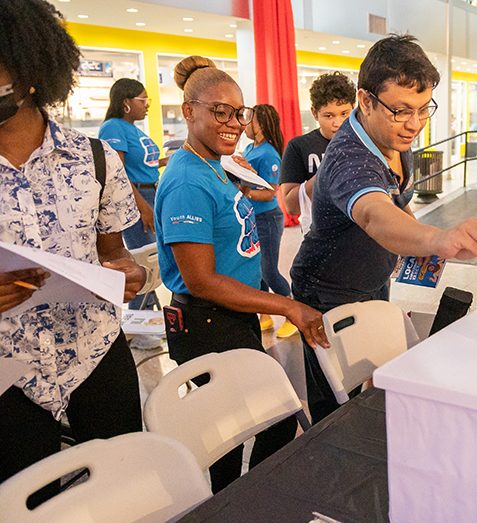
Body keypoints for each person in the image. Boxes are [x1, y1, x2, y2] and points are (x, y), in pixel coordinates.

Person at [290, 34, 477, 424]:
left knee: (375, 375)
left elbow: (398, 206)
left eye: (424, 110)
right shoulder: (347, 158)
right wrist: (439, 238)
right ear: (365, 100)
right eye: (402, 110)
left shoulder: (394, 135)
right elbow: (375, 214)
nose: (414, 125)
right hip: (327, 288)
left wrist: (426, 245)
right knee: (334, 406)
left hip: (373, 277)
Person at [154, 55, 329, 493]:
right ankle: (230, 503)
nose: (233, 122)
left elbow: (245, 206)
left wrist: (234, 176)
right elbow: (202, 280)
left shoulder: (214, 163)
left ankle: (245, 496)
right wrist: (287, 304)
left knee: (269, 421)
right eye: (219, 111)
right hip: (206, 322)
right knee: (229, 439)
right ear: (188, 111)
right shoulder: (187, 180)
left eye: (238, 112)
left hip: (233, 315)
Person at [0, 0, 147, 505]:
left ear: (31, 71)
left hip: (95, 355)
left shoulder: (95, 159)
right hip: (8, 377)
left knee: (124, 493)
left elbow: (116, 255)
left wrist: (127, 273)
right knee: (30, 506)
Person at [99, 78, 168, 313]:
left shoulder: (132, 128)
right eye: (143, 99)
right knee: (143, 263)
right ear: (126, 102)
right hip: (136, 197)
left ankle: (149, 317)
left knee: (151, 263)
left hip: (150, 193)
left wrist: (163, 162)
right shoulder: (113, 127)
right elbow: (117, 172)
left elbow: (140, 164)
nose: (147, 104)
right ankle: (141, 322)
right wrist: (142, 207)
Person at [242, 104, 297, 338]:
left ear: (260, 124)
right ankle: (264, 316)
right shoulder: (248, 148)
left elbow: (270, 191)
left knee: (269, 270)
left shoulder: (269, 154)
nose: (243, 123)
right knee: (256, 270)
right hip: (252, 217)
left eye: (247, 119)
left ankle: (292, 312)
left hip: (267, 218)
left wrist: (245, 191)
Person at [280, 72, 356, 233]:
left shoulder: (364, 143)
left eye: (344, 113)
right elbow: (291, 206)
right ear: (315, 113)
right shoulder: (298, 146)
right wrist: (329, 168)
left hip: (361, 235)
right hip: (321, 238)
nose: (338, 123)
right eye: (329, 116)